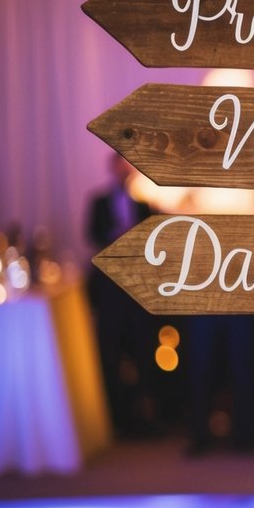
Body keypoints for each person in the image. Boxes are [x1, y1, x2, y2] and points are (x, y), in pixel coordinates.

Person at [86, 153, 156, 437]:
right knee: (110, 353)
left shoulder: (144, 203)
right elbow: (90, 234)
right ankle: (115, 420)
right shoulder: (99, 201)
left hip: (137, 288)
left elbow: (153, 238)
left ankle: (145, 418)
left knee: (143, 351)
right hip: (110, 289)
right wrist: (115, 237)